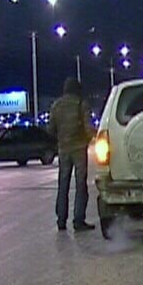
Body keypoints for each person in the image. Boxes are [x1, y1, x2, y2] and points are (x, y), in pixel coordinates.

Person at [47, 77, 95, 231]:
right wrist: (94, 137)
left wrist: (61, 139)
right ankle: (78, 220)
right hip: (79, 148)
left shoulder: (56, 105)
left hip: (63, 150)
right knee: (81, 184)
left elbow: (50, 129)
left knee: (63, 185)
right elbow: (88, 128)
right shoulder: (81, 104)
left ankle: (61, 220)